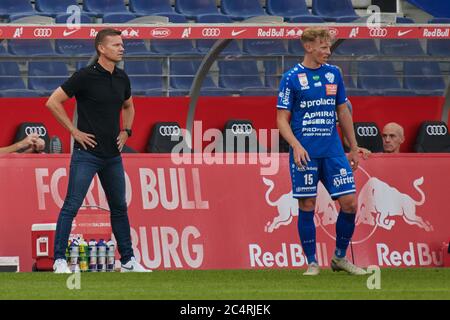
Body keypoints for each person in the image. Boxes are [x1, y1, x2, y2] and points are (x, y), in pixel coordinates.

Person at [46, 28, 149, 273]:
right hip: (86, 154)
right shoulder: (84, 76)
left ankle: (127, 261)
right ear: (101, 49)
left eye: (122, 44)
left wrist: (127, 132)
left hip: (113, 156)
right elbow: (52, 101)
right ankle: (59, 260)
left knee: (119, 208)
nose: (121, 48)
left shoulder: (122, 78)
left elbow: (129, 106)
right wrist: (74, 131)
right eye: (116, 45)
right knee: (71, 205)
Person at [276, 27, 366, 276]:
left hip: (333, 151)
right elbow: (282, 119)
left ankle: (339, 258)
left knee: (349, 204)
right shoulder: (291, 77)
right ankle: (312, 262)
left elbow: (343, 112)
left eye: (329, 47)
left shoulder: (334, 74)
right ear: (308, 47)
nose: (328, 51)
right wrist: (295, 145)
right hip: (305, 153)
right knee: (307, 204)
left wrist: (354, 147)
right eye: (324, 47)